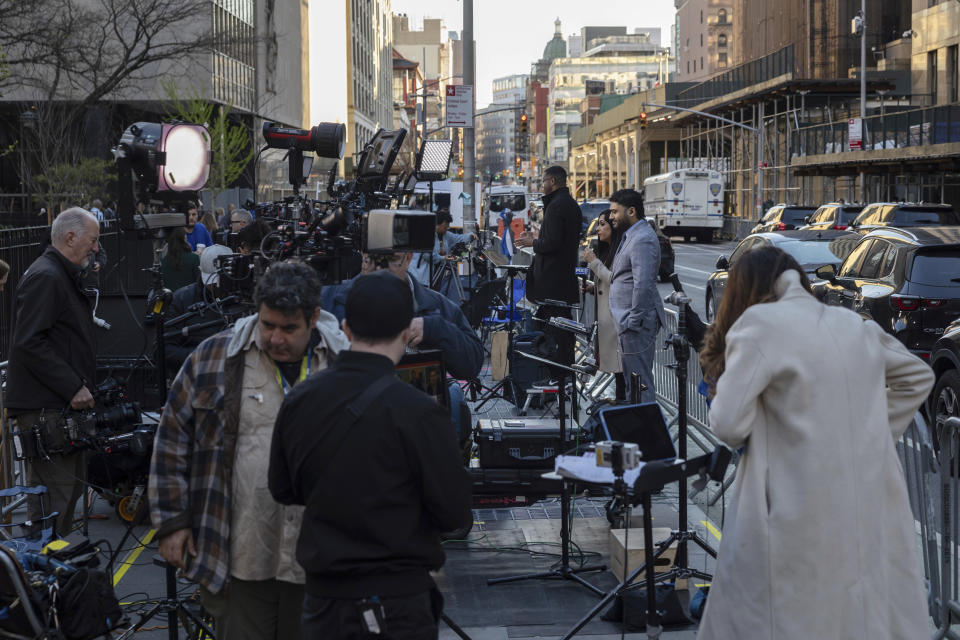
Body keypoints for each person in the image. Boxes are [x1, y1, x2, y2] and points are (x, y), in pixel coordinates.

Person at [696, 246, 933, 640]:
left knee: (782, 619)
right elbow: (918, 377)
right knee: (854, 615)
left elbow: (728, 424)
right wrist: (862, 434)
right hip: (863, 507)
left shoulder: (759, 324)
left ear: (745, 288)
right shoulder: (852, 324)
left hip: (792, 511)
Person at [149, 261, 350, 640]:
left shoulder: (342, 364)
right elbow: (171, 440)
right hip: (239, 553)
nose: (275, 338)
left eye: (289, 329)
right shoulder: (213, 358)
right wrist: (173, 523)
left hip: (316, 559)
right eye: (267, 324)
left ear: (314, 318)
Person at [269, 271, 472, 639]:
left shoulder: (300, 400)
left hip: (323, 600)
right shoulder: (420, 412)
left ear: (345, 328)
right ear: (406, 330)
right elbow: (454, 512)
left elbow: (282, 489)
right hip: (398, 601)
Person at [6, 208, 100, 536]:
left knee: (66, 494)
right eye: (93, 240)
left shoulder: (55, 274)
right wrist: (73, 386)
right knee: (54, 502)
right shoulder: (47, 276)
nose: (96, 247)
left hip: (54, 410)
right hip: (47, 411)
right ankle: (39, 582)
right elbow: (28, 342)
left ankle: (49, 579)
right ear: (70, 237)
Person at [322, 252, 483, 442]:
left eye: (390, 259)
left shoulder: (436, 306)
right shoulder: (330, 301)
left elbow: (472, 363)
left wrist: (435, 329)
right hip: (349, 432)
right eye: (372, 259)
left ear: (408, 258)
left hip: (416, 432)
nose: (380, 268)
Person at [515, 165, 581, 366]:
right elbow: (557, 239)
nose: (541, 185)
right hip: (560, 282)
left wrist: (532, 243)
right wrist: (536, 236)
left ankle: (557, 377)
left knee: (555, 334)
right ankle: (561, 377)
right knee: (560, 332)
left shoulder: (557, 205)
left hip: (554, 285)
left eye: (543, 181)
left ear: (552, 182)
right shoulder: (565, 203)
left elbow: (552, 244)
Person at [607, 188, 664, 403]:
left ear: (631, 211)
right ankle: (638, 429)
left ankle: (646, 432)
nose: (611, 216)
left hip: (635, 325)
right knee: (633, 385)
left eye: (614, 212)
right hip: (629, 324)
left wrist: (632, 321)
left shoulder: (642, 239)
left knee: (640, 385)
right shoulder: (631, 235)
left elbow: (644, 284)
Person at [164, 244, 237, 374]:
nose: (216, 286)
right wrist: (203, 356)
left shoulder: (243, 298)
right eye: (212, 283)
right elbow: (164, 348)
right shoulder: (182, 298)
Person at [582, 210, 625, 401]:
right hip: (606, 319)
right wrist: (592, 287)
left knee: (621, 370)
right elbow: (606, 282)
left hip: (616, 319)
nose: (598, 229)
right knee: (617, 371)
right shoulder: (608, 250)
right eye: (598, 224)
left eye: (602, 224)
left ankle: (624, 406)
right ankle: (620, 403)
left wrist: (594, 263)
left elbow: (615, 280)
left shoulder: (620, 252)